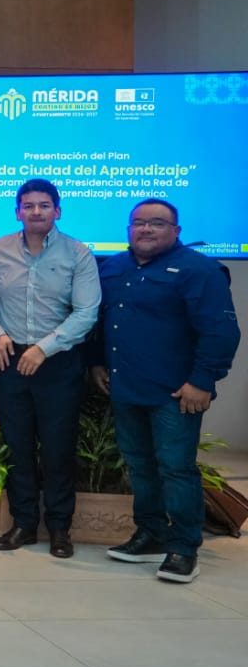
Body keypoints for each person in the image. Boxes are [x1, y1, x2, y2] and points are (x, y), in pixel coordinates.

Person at [92, 199, 240, 583]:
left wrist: (203, 381)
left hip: (177, 393)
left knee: (176, 469)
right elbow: (102, 321)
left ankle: (184, 547)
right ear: (128, 229)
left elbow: (221, 332)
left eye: (156, 223)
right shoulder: (114, 267)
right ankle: (152, 534)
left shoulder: (199, 271)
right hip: (126, 387)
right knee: (140, 467)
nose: (145, 229)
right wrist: (96, 364)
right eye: (138, 223)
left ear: (176, 230)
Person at [0, 178, 100, 559]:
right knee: (17, 447)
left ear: (57, 211)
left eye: (44, 206)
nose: (36, 212)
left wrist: (43, 349)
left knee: (57, 449)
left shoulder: (78, 253)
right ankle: (24, 524)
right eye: (28, 206)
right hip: (10, 359)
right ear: (17, 211)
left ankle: (60, 529)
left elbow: (86, 312)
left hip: (58, 363)